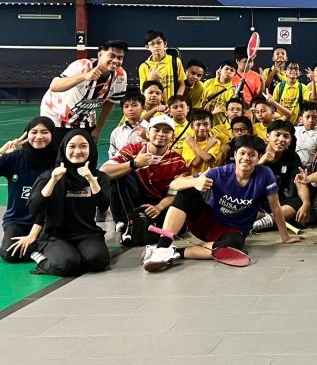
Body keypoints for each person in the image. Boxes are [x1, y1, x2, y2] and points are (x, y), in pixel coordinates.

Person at [142, 135, 302, 272]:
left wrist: (285, 237)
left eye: (252, 154)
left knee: (233, 247)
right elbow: (174, 184)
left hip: (233, 231)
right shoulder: (220, 172)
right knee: (187, 191)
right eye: (242, 153)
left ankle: (174, 252)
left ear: (259, 157)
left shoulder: (265, 175)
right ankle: (162, 248)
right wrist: (195, 182)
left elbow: (275, 206)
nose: (246, 158)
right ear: (235, 154)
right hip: (206, 222)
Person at [25, 131, 110, 276]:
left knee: (98, 261)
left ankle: (74, 255)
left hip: (86, 233)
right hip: (56, 235)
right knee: (67, 265)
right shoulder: (49, 176)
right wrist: (53, 181)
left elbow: (103, 206)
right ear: (64, 149)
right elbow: (34, 208)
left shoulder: (99, 177)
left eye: (83, 146)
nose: (77, 151)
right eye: (72, 146)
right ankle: (41, 258)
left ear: (91, 149)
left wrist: (92, 181)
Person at [100, 113, 187, 245]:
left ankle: (144, 228)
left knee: (181, 222)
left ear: (173, 136)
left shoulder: (178, 161)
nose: (161, 134)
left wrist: (159, 207)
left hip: (158, 204)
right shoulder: (132, 149)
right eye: (156, 130)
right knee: (122, 173)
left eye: (166, 131)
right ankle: (130, 222)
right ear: (147, 133)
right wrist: (134, 164)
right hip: (131, 202)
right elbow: (103, 172)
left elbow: (173, 195)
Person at [40, 40, 129, 143]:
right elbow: (54, 86)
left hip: (84, 117)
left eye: (120, 58)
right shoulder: (82, 66)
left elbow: (111, 102)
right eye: (111, 56)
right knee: (58, 150)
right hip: (56, 115)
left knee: (87, 149)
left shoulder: (121, 76)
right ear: (100, 54)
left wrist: (98, 130)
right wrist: (84, 76)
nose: (115, 60)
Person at [0, 118, 58, 263]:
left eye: (45, 132)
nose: (39, 136)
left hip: (48, 221)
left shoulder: (59, 160)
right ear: (26, 134)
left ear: (52, 134)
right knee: (9, 253)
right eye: (34, 132)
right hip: (17, 220)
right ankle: (42, 251)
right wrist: (1, 152)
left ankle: (49, 248)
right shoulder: (15, 157)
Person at [138, 30, 185, 103]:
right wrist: (150, 81)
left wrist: (176, 101)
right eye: (152, 44)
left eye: (159, 42)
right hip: (154, 106)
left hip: (172, 106)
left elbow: (182, 84)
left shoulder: (175, 61)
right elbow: (142, 92)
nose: (156, 46)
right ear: (147, 47)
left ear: (165, 44)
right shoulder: (143, 67)